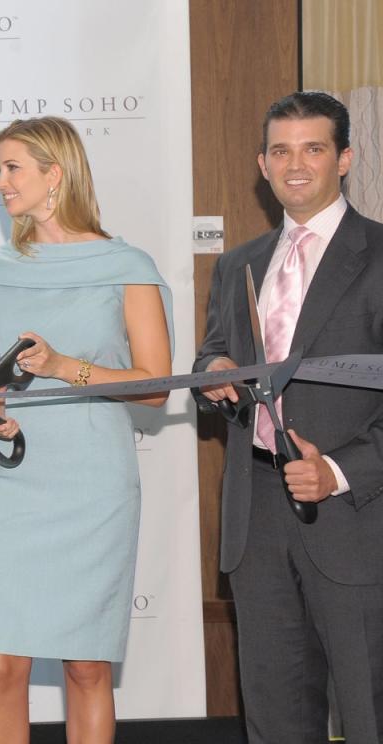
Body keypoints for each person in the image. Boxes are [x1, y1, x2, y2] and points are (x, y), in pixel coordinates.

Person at [0, 116, 173, 744]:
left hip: (92, 484)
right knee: (1, 667)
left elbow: (155, 385)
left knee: (85, 665)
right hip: (13, 485)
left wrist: (62, 367)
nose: (0, 181)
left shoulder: (128, 265)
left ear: (55, 174)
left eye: (12, 167)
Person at [194, 91, 383, 743]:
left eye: (313, 148)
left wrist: (338, 470)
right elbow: (214, 356)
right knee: (274, 719)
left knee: (368, 715)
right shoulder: (237, 265)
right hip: (257, 519)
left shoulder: (381, 255)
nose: (295, 163)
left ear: (345, 159)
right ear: (261, 163)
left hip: (355, 517)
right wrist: (215, 377)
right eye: (280, 150)